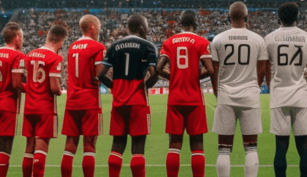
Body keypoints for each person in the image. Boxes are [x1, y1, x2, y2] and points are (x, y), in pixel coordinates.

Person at [210, 2, 268, 177]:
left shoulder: (218, 39)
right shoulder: (258, 39)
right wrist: (254, 88)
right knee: (251, 148)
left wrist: (216, 91)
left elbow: (214, 71)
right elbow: (262, 70)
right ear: (247, 18)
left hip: (226, 95)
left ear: (228, 18)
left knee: (223, 149)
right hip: (249, 96)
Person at [263, 2, 307, 177]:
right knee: (304, 146)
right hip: (300, 95)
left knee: (280, 146)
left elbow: (265, 66)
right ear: (297, 17)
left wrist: (269, 84)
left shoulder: (270, 38)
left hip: (279, 94)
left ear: (279, 17)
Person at [99, 14, 160, 177]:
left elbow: (100, 74)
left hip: (119, 101)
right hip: (138, 100)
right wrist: (146, 86)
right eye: (146, 27)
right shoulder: (148, 46)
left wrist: (114, 87)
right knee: (138, 147)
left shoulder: (114, 46)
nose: (147, 30)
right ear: (141, 28)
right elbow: (154, 74)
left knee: (117, 145)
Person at [156, 10, 214, 177]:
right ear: (194, 26)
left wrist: (173, 76)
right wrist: (196, 75)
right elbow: (210, 69)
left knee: (174, 144)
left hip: (175, 98)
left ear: (180, 25)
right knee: (197, 144)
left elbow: (159, 68)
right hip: (194, 98)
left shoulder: (169, 42)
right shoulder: (201, 42)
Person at [62, 15, 107, 177]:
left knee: (70, 144)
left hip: (72, 101)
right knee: (89, 145)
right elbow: (99, 74)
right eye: (99, 26)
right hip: (90, 101)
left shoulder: (72, 47)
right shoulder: (97, 47)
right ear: (92, 28)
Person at [21, 24, 66, 177]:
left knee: (29, 148)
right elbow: (54, 87)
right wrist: (61, 91)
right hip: (45, 108)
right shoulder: (55, 58)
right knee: (41, 149)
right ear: (61, 41)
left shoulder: (29, 55)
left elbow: (23, 79)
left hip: (29, 107)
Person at [0, 23, 26, 177]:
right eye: (21, 37)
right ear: (16, 38)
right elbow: (16, 83)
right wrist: (34, 90)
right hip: (7, 105)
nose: (22, 40)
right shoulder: (18, 55)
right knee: (5, 147)